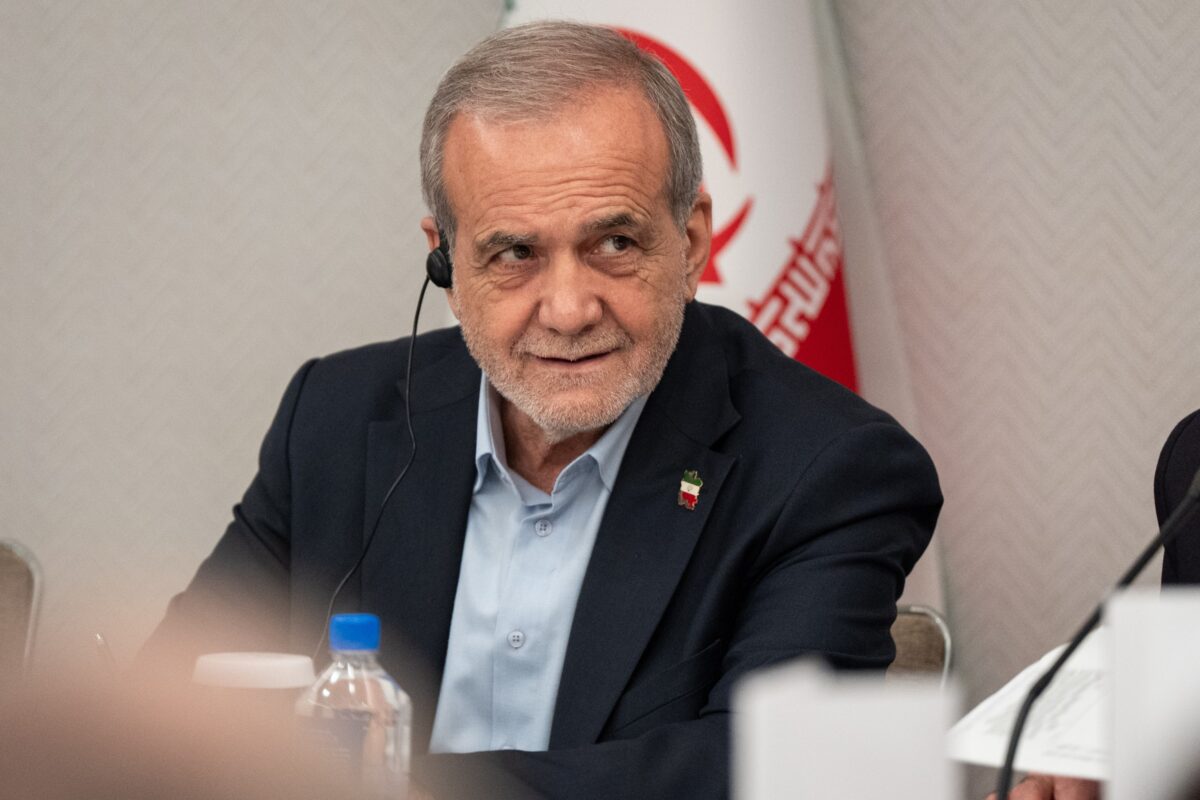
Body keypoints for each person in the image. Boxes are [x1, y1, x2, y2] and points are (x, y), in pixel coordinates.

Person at [140, 21, 941, 799]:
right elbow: (174, 700)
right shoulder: (337, 419)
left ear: (692, 240)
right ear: (446, 259)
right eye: (515, 253)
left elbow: (771, 770)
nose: (567, 310)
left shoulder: (832, 470)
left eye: (614, 244)